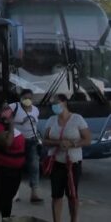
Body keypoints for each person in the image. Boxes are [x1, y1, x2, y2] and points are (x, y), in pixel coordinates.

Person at [43, 94, 91, 222]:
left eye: (56, 103)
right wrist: (58, 143)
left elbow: (87, 140)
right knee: (56, 196)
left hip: (73, 164)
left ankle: (74, 220)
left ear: (64, 103)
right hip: (56, 163)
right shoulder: (51, 120)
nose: (53, 106)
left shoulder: (77, 119)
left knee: (72, 196)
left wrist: (72, 144)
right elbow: (44, 141)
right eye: (52, 104)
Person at [0, 100, 25, 222]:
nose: (9, 109)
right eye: (5, 108)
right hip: (1, 167)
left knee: (9, 197)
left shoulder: (7, 124)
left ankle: (6, 219)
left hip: (15, 168)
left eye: (8, 107)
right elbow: (8, 142)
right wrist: (12, 125)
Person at [10, 89, 43, 203]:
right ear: (21, 98)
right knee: (16, 166)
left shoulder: (35, 110)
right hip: (17, 141)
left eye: (30, 98)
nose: (27, 100)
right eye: (25, 98)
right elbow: (3, 116)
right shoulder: (14, 107)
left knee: (34, 166)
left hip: (32, 140)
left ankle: (34, 193)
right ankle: (14, 193)